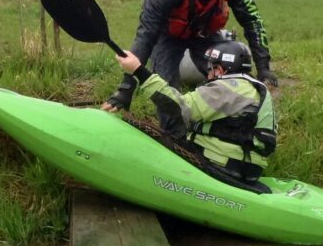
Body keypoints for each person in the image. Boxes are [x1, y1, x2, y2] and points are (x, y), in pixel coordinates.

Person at [102, 0, 276, 113]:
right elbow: (147, 32)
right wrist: (126, 88)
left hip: (204, 34)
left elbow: (252, 20)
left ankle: (225, 123)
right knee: (167, 97)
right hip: (167, 36)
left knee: (232, 77)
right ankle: (174, 136)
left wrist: (264, 68)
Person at [113, 39, 277, 189]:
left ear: (220, 69)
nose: (208, 75)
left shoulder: (229, 88)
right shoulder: (250, 87)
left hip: (224, 165)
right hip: (243, 166)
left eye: (211, 68)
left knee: (153, 140)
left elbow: (179, 107)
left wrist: (139, 71)